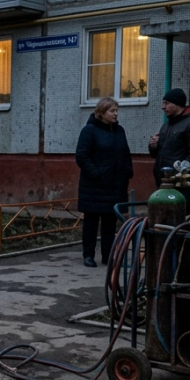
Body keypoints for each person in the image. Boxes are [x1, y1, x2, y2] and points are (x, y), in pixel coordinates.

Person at [76, 97, 133, 268]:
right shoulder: (89, 131)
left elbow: (125, 153)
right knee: (91, 222)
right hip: (95, 185)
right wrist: (96, 174)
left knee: (110, 222)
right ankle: (88, 255)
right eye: (112, 111)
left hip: (115, 185)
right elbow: (82, 156)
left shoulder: (119, 130)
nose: (116, 114)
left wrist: (128, 172)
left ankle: (108, 255)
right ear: (101, 113)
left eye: (117, 110)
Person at [148, 88, 190, 213]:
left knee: (178, 222)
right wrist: (153, 145)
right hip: (163, 183)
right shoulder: (167, 125)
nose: (163, 107)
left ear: (178, 104)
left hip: (181, 186)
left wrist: (180, 171)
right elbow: (157, 153)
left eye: (166, 103)